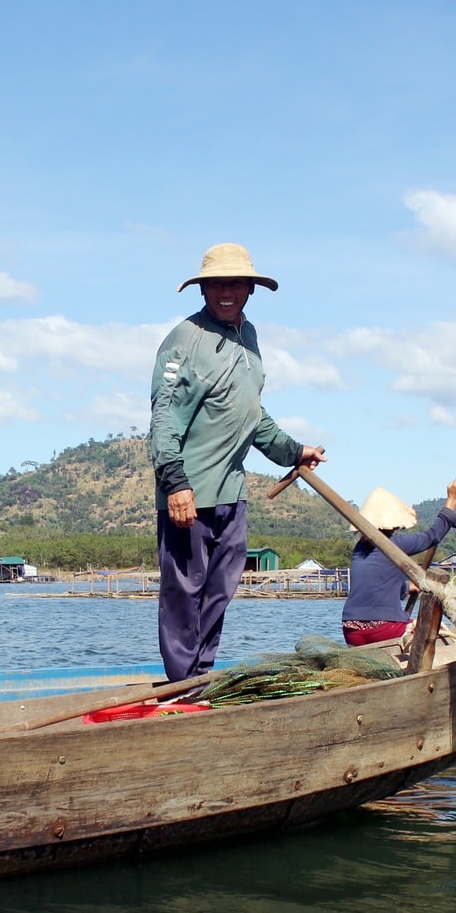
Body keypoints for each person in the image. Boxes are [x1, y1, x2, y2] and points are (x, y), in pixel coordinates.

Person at [149, 243, 325, 681]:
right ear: (203, 289)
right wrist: (175, 484)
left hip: (232, 494)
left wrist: (292, 450)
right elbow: (164, 417)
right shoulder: (185, 340)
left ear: (250, 289)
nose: (226, 292)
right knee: (183, 594)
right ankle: (181, 687)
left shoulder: (249, 338)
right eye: (217, 284)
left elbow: (251, 413)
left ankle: (200, 678)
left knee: (219, 592)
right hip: (190, 494)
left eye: (235, 284)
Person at [340, 480, 456, 647]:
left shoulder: (359, 548)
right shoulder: (394, 544)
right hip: (384, 629)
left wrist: (406, 587)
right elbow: (432, 536)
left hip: (351, 631)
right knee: (439, 633)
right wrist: (452, 499)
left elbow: (376, 584)